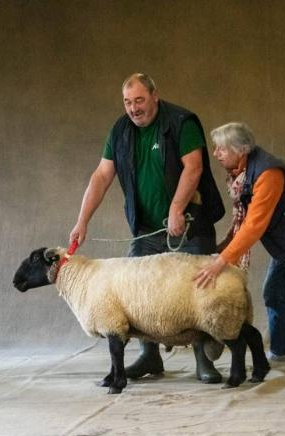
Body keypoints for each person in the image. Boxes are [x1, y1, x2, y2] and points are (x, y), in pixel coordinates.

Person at [69, 73, 226, 383]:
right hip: (146, 229)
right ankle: (150, 356)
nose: (133, 108)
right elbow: (102, 176)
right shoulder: (120, 130)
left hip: (190, 224)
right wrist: (82, 220)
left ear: (155, 96)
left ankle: (202, 360)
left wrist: (177, 207)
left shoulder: (182, 122)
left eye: (139, 100)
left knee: (195, 290)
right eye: (128, 102)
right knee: (138, 291)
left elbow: (193, 167)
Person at [194, 122, 285, 385]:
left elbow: (254, 225)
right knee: (273, 292)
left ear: (241, 150)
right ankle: (282, 355)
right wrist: (221, 248)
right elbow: (244, 221)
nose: (216, 154)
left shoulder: (268, 173)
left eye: (221, 148)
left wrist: (222, 261)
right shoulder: (241, 172)